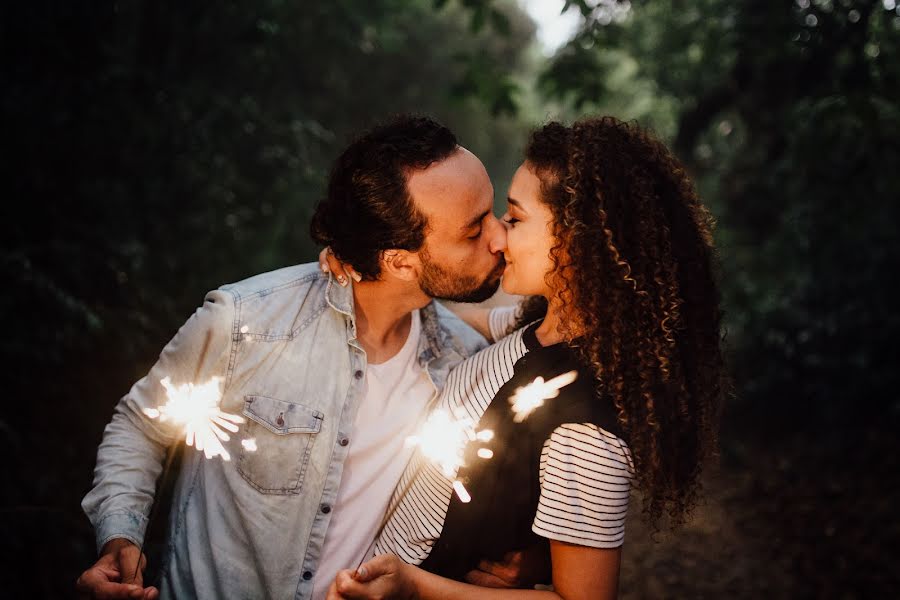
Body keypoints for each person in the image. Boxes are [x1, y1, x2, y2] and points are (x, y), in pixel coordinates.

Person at [76, 115, 510, 600]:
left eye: (495, 215)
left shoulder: (468, 364)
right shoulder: (244, 322)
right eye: (474, 232)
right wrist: (119, 536)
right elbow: (141, 423)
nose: (500, 238)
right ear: (399, 260)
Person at [324, 116, 725, 600]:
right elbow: (442, 293)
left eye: (514, 219)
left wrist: (413, 587)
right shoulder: (532, 327)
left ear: (580, 241)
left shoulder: (585, 425)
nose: (498, 235)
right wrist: (368, 258)